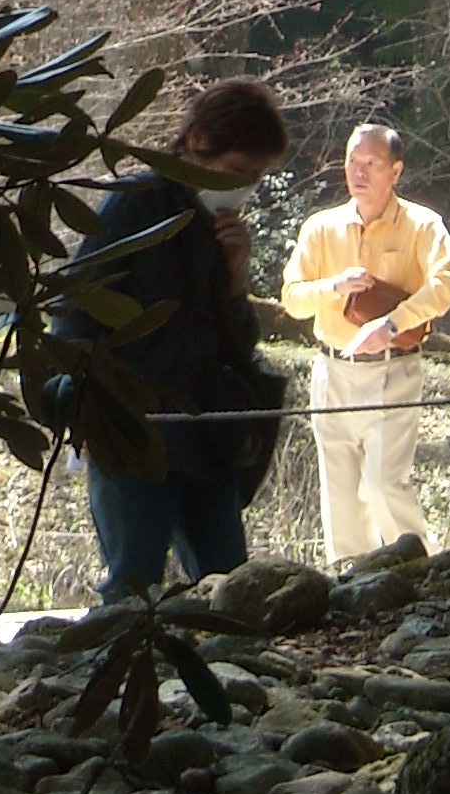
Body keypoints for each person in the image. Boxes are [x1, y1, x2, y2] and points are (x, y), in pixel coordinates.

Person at [49, 77, 291, 598]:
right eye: (236, 170)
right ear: (198, 141)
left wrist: (236, 278)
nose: (244, 185)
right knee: (132, 585)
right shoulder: (134, 204)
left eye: (255, 175)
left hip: (208, 433)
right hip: (135, 430)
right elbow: (76, 312)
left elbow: (237, 343)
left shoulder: (220, 223)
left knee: (231, 585)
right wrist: (81, 411)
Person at [279, 120, 450, 564]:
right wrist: (334, 287)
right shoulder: (321, 228)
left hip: (394, 370)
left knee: (383, 484)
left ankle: (420, 571)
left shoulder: (422, 225)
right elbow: (292, 297)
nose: (359, 173)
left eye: (371, 164)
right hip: (332, 370)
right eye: (352, 162)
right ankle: (349, 589)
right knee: (339, 494)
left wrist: (392, 324)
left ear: (395, 172)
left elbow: (444, 288)